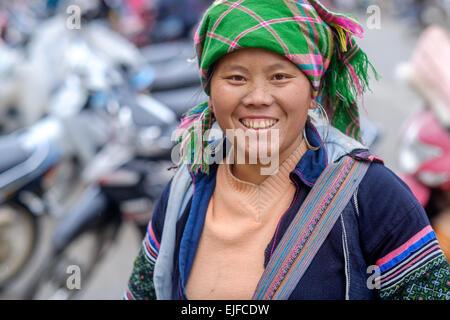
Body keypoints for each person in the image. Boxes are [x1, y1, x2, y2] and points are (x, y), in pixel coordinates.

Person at [124, 0, 450, 300]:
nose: (258, 97)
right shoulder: (186, 187)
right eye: (236, 78)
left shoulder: (371, 194)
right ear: (210, 90)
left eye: (279, 77)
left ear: (313, 92)